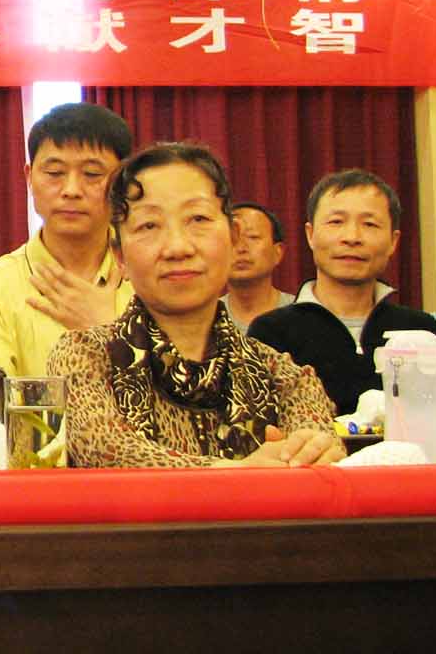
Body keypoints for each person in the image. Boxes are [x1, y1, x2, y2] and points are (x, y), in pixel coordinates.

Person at [48, 143, 343, 467]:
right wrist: (237, 475)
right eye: (149, 226)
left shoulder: (283, 375)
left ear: (233, 238)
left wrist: (313, 453)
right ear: (120, 256)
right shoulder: (87, 355)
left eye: (198, 219)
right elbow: (107, 450)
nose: (178, 247)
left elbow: (316, 449)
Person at [0, 102, 135, 416]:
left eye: (92, 174)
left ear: (122, 182)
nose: (71, 190)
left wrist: (108, 336)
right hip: (31, 451)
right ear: (29, 177)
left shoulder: (153, 279)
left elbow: (182, 401)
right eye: (54, 173)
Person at [249, 170, 436, 415]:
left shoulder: (420, 331)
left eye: (369, 224)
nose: (352, 237)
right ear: (310, 235)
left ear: (393, 241)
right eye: (336, 222)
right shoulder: (270, 333)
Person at [221, 201, 295, 329]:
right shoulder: (202, 319)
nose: (241, 248)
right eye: (232, 238)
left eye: (253, 237)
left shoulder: (301, 315)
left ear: (278, 252)